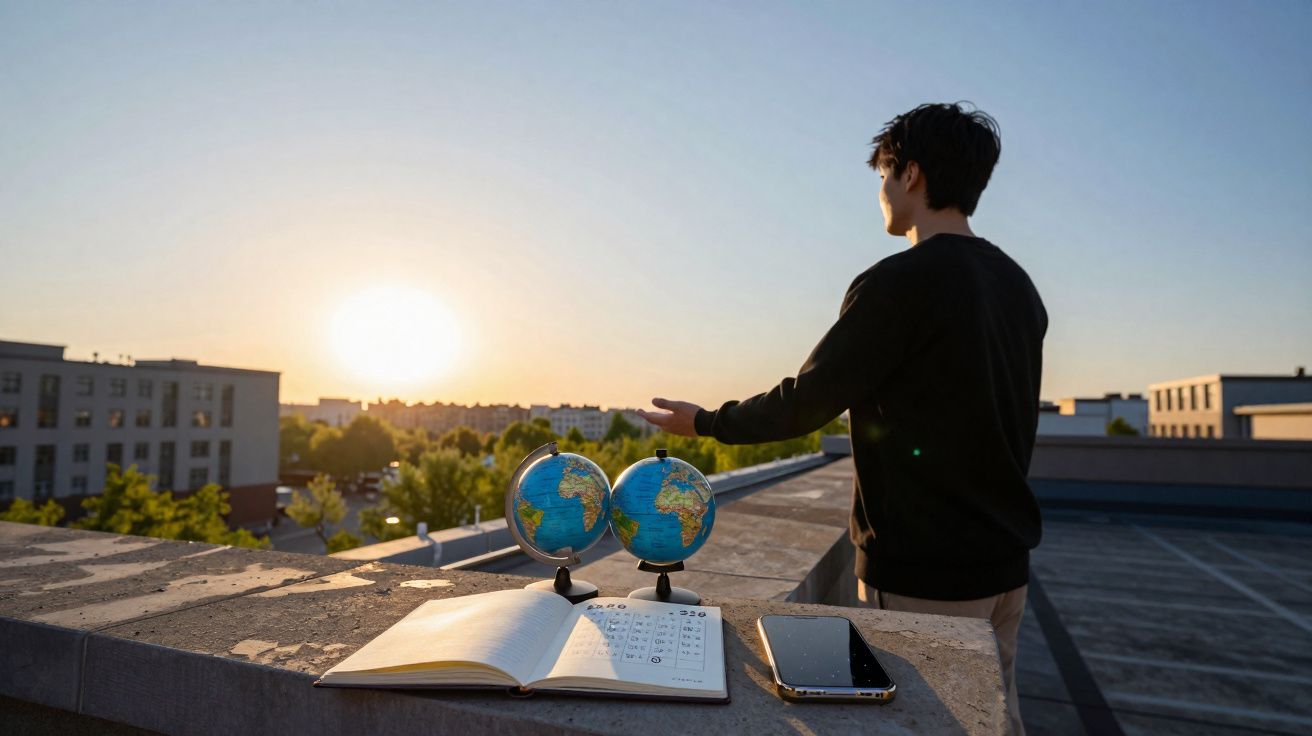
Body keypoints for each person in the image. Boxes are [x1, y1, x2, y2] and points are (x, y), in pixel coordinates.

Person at [636, 102, 1045, 735]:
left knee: (923, 724)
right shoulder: (1019, 286)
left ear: (910, 173)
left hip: (925, 573)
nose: (881, 191)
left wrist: (707, 422)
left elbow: (807, 400)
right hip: (1006, 568)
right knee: (997, 721)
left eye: (884, 174)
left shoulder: (898, 284)